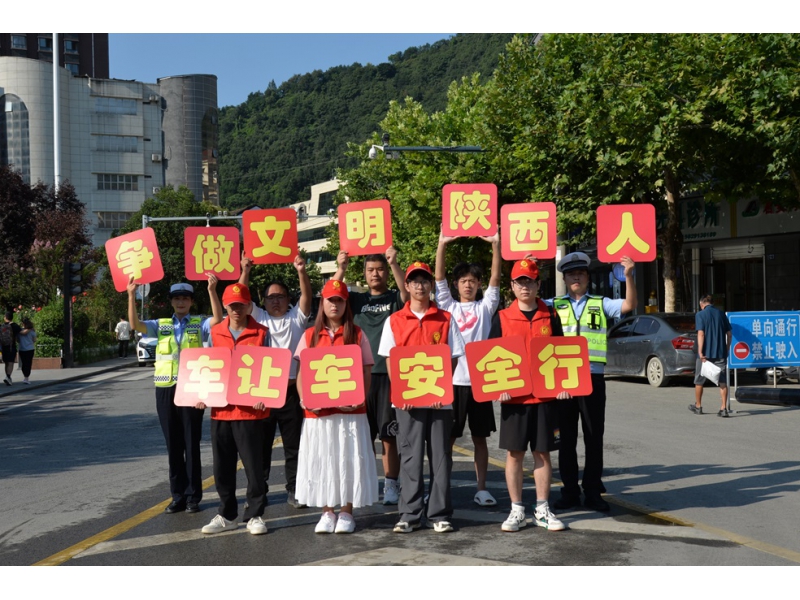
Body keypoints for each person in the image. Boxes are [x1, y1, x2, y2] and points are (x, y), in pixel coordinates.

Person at [378, 261, 466, 534]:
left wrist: (443, 389)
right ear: (406, 285)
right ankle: (409, 514)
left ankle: (439, 513)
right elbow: (391, 361)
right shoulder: (394, 320)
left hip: (439, 400)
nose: (419, 285)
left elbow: (451, 358)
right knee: (410, 456)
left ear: (431, 285)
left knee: (440, 456)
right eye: (414, 281)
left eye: (424, 280)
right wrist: (399, 392)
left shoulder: (445, 318)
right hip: (407, 401)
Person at [547, 252, 637, 513]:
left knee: (593, 436)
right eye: (571, 274)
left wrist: (629, 276)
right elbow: (524, 301)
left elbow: (629, 305)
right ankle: (570, 492)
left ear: (588, 277)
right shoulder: (552, 304)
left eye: (581, 273)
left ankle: (594, 491)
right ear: (564, 278)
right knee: (565, 439)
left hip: (592, 377)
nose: (576, 277)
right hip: (562, 379)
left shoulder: (601, 303)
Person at [127, 275, 222, 514]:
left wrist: (212, 290)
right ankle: (177, 496)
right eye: (177, 298)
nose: (181, 302)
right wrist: (130, 295)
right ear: (171, 302)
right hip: (165, 388)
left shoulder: (199, 323)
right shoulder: (161, 325)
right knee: (173, 445)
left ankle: (193, 498)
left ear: (191, 302)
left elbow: (219, 320)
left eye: (185, 298)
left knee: (191, 444)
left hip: (192, 389)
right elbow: (135, 325)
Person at [489, 259, 568, 532]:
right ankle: (517, 510)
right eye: (520, 282)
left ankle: (543, 508)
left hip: (546, 398)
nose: (525, 286)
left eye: (530, 281)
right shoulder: (501, 317)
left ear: (538, 285)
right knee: (515, 454)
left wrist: (563, 385)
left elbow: (561, 354)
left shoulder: (552, 315)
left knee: (543, 453)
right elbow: (490, 357)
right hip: (516, 399)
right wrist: (498, 386)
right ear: (512, 286)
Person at [294, 279, 378, 533]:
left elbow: (366, 371)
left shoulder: (357, 333)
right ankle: (326, 511)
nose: (334, 304)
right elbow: (301, 373)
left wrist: (361, 398)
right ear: (323, 303)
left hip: (350, 411)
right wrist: (303, 399)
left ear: (345, 304)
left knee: (349, 458)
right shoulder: (309, 335)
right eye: (330, 300)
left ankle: (346, 512)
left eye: (339, 300)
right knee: (323, 458)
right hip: (317, 413)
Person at [334, 247, 408, 505]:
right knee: (360, 436)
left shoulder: (396, 298)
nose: (375, 273)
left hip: (388, 376)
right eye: (370, 270)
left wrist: (395, 263)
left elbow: (407, 293)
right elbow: (332, 294)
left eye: (380, 269)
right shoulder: (356, 300)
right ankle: (363, 485)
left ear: (386, 272)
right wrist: (341, 268)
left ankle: (391, 484)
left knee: (389, 435)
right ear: (364, 274)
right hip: (359, 376)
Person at [197, 283, 271, 536]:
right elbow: (208, 366)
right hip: (221, 410)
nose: (236, 309)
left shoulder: (262, 332)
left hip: (251, 412)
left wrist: (266, 395)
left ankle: (255, 514)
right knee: (222, 467)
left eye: (241, 304)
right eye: (232, 305)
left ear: (249, 305)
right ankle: (227, 514)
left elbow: (271, 368)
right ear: (225, 306)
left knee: (254, 467)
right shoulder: (215, 332)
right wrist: (202, 395)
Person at [434, 231, 501, 507]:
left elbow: (497, 280)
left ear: (478, 284)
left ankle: (482, 488)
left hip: (480, 384)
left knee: (480, 439)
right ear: (456, 284)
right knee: (448, 440)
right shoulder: (447, 307)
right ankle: (442, 487)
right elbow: (438, 280)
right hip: (453, 383)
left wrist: (496, 246)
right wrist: (442, 244)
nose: (468, 285)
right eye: (463, 281)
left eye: (473, 281)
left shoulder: (486, 307)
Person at [239, 254, 311, 508]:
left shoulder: (297, 319)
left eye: (281, 296)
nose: (276, 301)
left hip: (292, 393)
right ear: (264, 301)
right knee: (261, 448)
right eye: (271, 297)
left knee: (294, 447)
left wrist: (301, 271)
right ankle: (260, 491)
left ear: (288, 299)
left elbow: (307, 298)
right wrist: (245, 270)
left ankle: (294, 489)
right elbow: (241, 296)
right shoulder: (259, 318)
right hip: (264, 394)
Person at [691, 294, 732, 417]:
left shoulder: (700, 315)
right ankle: (723, 408)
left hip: (705, 355)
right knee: (723, 382)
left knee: (699, 381)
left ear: (702, 304)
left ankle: (698, 406)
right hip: (720, 353)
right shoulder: (721, 314)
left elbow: (701, 334)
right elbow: (729, 334)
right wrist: (727, 349)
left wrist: (700, 352)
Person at [1, 312, 22, 386]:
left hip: (3, 346)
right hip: (11, 346)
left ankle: (8, 377)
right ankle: (8, 376)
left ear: (5, 317)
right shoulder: (14, 326)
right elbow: (21, 333)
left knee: (6, 362)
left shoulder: (2, 326)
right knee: (11, 362)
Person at [18, 317, 37, 385]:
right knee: (28, 364)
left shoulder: (19, 331)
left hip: (22, 349)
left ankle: (25, 377)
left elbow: (18, 340)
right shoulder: (32, 331)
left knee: (23, 364)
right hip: (30, 349)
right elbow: (34, 340)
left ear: (22, 323)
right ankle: (26, 378)